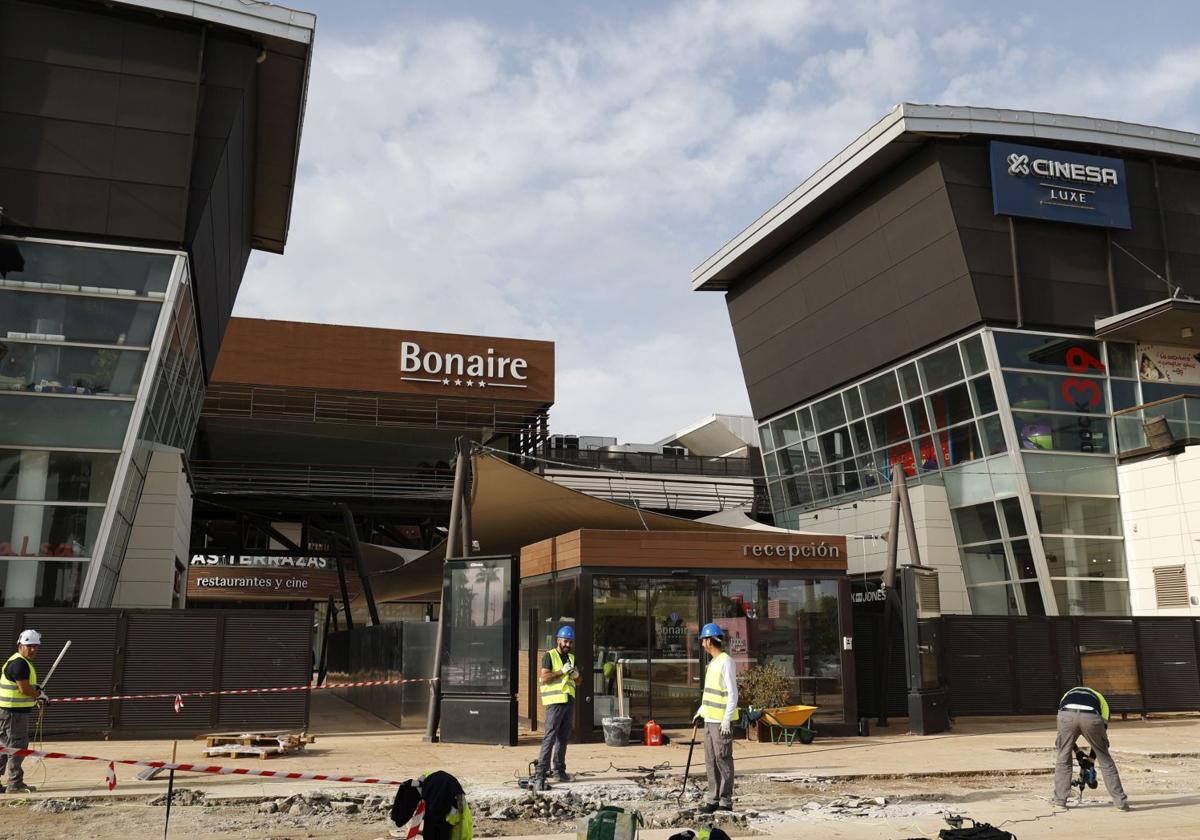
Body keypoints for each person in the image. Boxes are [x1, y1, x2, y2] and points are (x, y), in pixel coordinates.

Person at [1053, 685, 1129, 810]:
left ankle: (1060, 802)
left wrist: (1078, 753)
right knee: (1105, 759)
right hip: (1091, 716)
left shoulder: (1067, 695)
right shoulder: (1101, 700)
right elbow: (1100, 740)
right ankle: (1120, 803)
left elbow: (1065, 739)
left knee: (1063, 757)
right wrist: (1091, 758)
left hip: (1067, 714)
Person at [693, 622, 738, 814]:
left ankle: (725, 800)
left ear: (710, 640)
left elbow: (732, 693)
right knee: (711, 760)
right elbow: (710, 693)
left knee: (723, 759)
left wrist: (727, 719)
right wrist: (701, 711)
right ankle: (713, 799)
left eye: (703, 639)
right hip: (709, 719)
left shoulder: (726, 661)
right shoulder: (712, 663)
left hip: (721, 722)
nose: (702, 643)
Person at [533, 625, 580, 791]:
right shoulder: (549, 656)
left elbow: (578, 681)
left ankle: (559, 771)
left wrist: (576, 676)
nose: (568, 644)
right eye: (565, 641)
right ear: (558, 640)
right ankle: (540, 774)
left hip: (568, 701)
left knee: (563, 737)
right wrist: (561, 671)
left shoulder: (571, 658)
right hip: (555, 703)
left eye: (570, 642)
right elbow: (544, 677)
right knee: (550, 737)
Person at [0, 630, 47, 794]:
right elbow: (23, 689)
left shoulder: (16, 661)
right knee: (17, 746)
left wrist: (36, 691)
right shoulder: (20, 663)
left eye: (36, 646)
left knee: (4, 747)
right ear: (21, 646)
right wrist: (38, 695)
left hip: (7, 711)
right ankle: (15, 784)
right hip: (14, 713)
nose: (33, 650)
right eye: (30, 646)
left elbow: (24, 687)